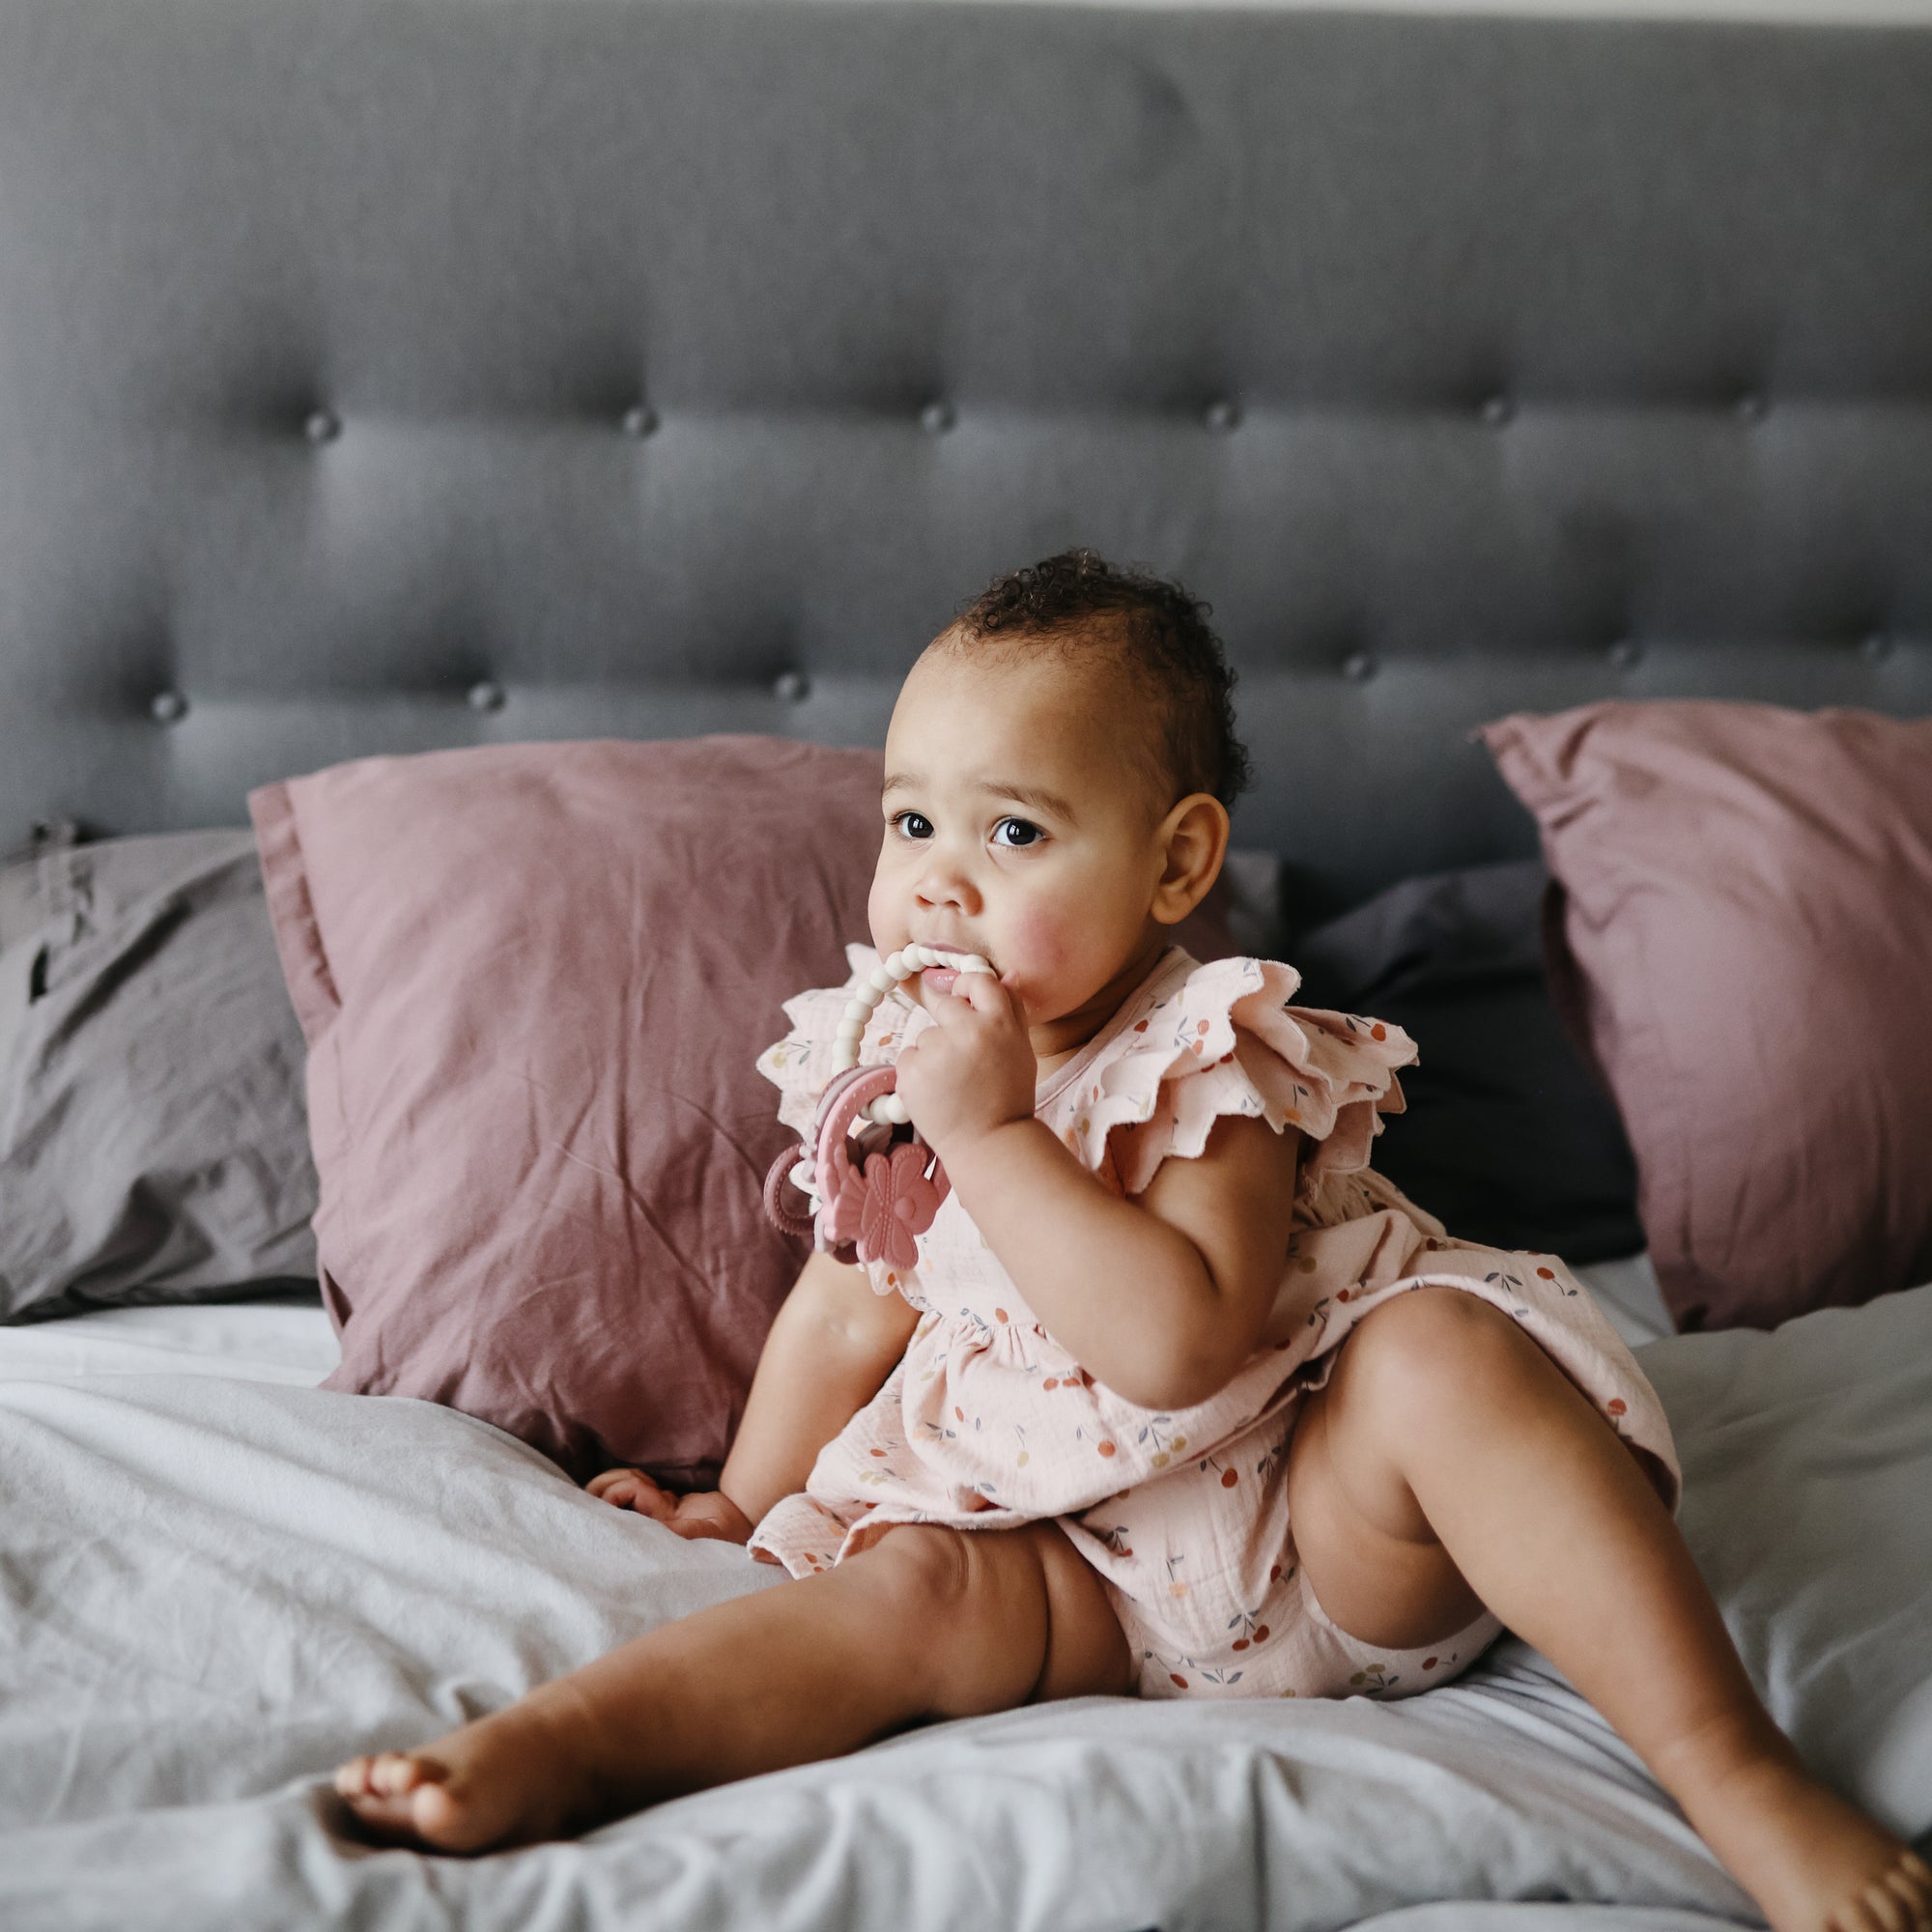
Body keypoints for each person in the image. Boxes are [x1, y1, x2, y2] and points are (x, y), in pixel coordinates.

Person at [336, 551, 1929, 1932]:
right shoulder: (898, 1071)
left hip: (1324, 1534)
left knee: (1440, 1356)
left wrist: (998, 1135)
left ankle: (1733, 1772)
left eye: (1014, 835)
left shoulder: (1208, 1059)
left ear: (1175, 861)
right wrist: (744, 1503)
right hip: (1089, 1581)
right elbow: (846, 1306)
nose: (939, 888)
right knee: (910, 1595)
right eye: (910, 824)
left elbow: (1182, 1343)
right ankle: (565, 1749)